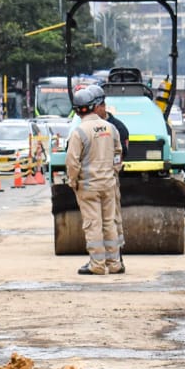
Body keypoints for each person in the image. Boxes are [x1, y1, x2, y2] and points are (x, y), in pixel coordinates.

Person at [65, 85, 121, 275]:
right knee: (109, 223)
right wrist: (113, 172)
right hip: (108, 184)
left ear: (78, 110)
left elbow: (72, 162)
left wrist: (73, 181)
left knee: (93, 224)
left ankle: (97, 264)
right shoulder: (111, 128)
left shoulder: (79, 132)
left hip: (88, 186)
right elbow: (118, 155)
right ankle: (114, 263)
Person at [90, 89, 126, 274]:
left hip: (109, 180)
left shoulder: (116, 127)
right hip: (97, 180)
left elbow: (120, 153)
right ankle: (105, 260)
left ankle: (117, 259)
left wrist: (113, 171)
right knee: (100, 222)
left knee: (113, 220)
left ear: (101, 106)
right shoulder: (87, 126)